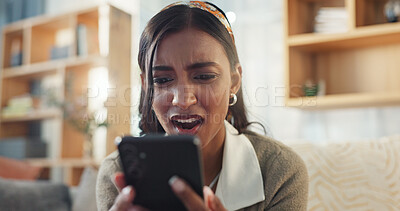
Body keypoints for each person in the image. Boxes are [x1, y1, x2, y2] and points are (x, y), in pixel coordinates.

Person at [96, 1, 309, 210]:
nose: (183, 100)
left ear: (234, 81)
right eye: (162, 80)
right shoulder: (118, 173)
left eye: (204, 76)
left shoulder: (279, 172)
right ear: (147, 87)